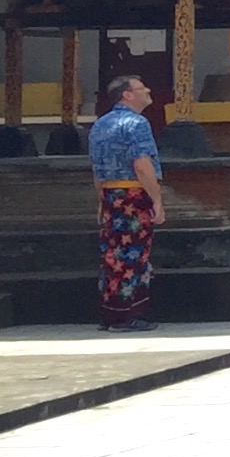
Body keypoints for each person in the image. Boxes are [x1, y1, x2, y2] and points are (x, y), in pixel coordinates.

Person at [87, 75, 165, 331]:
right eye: (141, 88)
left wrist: (101, 199)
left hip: (110, 194)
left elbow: (97, 169)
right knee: (134, 254)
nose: (147, 90)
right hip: (133, 194)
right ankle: (130, 313)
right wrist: (156, 199)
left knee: (112, 255)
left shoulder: (99, 125)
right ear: (127, 95)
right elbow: (142, 165)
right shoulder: (137, 123)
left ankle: (110, 313)